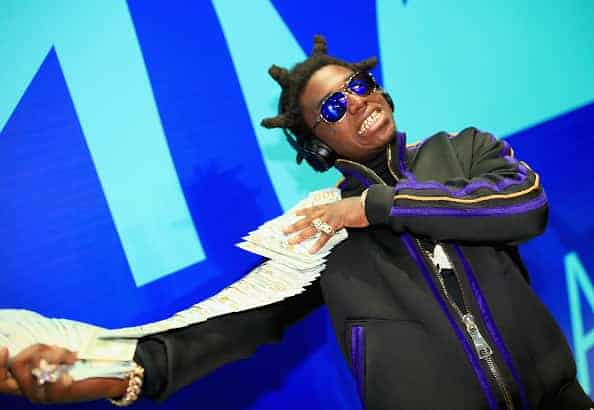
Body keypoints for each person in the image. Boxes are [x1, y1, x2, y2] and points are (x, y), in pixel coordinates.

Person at [1, 35, 592, 409]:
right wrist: (100, 371)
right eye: (334, 107)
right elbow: (224, 330)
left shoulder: (464, 150)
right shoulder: (319, 229)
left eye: (358, 86)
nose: (357, 101)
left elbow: (523, 207)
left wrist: (377, 207)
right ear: (315, 146)